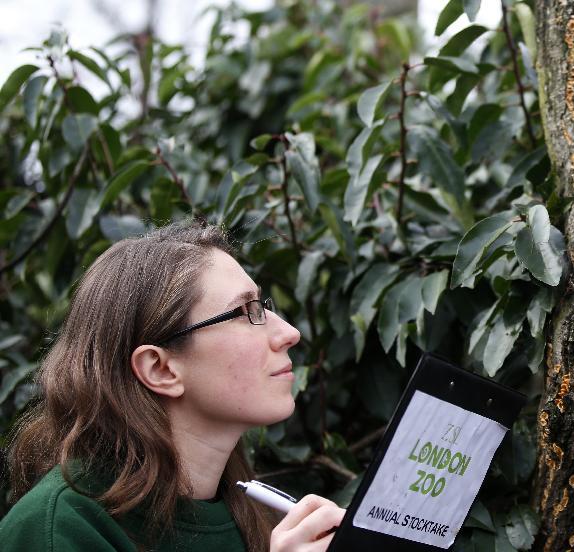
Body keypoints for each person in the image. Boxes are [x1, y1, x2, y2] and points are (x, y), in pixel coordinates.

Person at [0, 223, 344, 551]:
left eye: (263, 307)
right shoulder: (60, 529)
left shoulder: (255, 513)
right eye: (244, 311)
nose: (289, 333)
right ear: (161, 369)